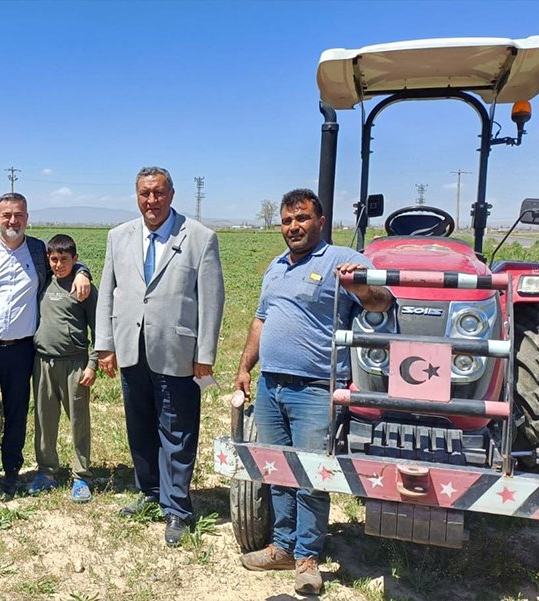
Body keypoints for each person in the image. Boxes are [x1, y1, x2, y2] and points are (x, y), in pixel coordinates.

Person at [233, 188, 393, 595]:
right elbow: (260, 319)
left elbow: (382, 303)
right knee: (277, 470)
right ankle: (283, 546)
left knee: (310, 474)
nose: (293, 227)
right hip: (271, 385)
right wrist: (244, 367)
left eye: (301, 218)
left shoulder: (343, 259)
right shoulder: (277, 266)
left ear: (320, 222)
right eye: (287, 221)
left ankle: (307, 556)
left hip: (315, 388)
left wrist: (357, 287)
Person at [95, 166, 225, 547]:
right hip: (132, 348)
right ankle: (149, 492)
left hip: (177, 351)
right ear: (136, 196)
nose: (151, 201)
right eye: (144, 194)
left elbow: (212, 301)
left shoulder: (200, 238)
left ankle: (178, 509)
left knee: (177, 430)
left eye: (158, 193)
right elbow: (108, 291)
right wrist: (106, 343)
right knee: (140, 425)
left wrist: (205, 354)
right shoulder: (118, 236)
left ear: (171, 194)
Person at [0, 192, 91, 495]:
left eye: (18, 215)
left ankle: (11, 471)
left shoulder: (38, 251)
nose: (12, 221)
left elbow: (68, 263)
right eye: (6, 215)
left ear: (27, 218)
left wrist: (83, 272)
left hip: (22, 350)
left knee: (17, 413)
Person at [29, 234, 98, 502]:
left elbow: (99, 327)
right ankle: (46, 471)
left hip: (75, 365)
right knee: (44, 421)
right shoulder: (43, 282)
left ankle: (81, 476)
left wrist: (92, 364)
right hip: (43, 362)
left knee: (79, 421)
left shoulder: (84, 288)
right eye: (54, 259)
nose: (58, 265)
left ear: (75, 259)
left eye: (65, 260)